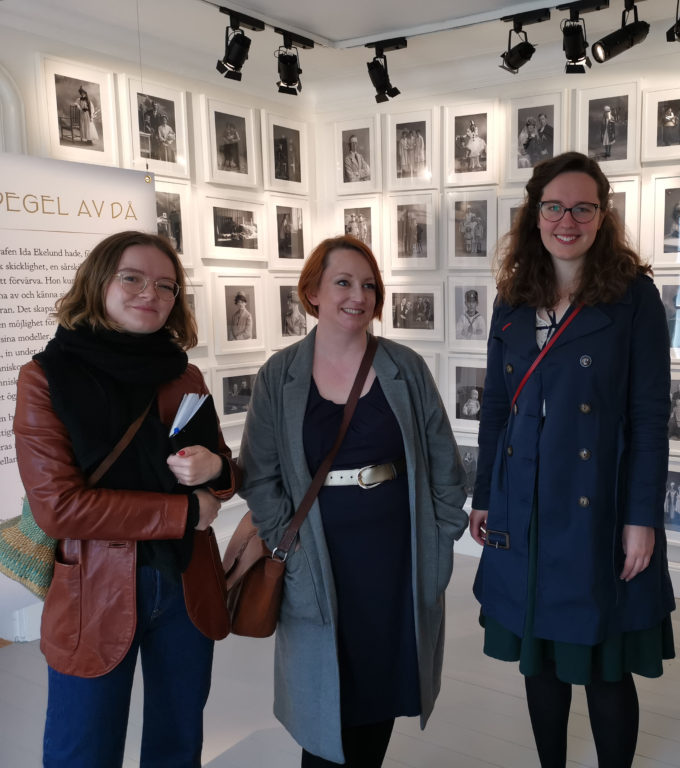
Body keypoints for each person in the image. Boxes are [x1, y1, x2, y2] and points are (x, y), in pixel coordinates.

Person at [468, 152, 675, 768]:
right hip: (522, 498)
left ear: (602, 215)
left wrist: (642, 517)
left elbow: (649, 416)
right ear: (534, 214)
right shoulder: (512, 297)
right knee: (541, 662)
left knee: (605, 665)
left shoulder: (632, 296)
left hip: (598, 506)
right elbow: (496, 408)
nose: (567, 220)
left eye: (583, 207)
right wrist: (483, 494)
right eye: (554, 206)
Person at [238, 234, 468, 767]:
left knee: (380, 688)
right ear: (313, 291)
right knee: (325, 702)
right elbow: (260, 474)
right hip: (317, 556)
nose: (357, 296)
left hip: (395, 554)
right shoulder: (281, 374)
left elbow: (443, 461)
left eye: (368, 285)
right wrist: (285, 548)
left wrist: (441, 534)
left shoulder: (403, 367)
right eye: (343, 282)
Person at [13, 230, 239, 767]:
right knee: (83, 750)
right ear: (98, 283)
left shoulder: (183, 374)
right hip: (96, 586)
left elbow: (223, 473)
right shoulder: (46, 377)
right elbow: (60, 507)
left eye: (166, 285)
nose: (151, 294)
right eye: (132, 278)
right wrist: (186, 511)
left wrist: (216, 468)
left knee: (178, 744)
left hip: (185, 583)